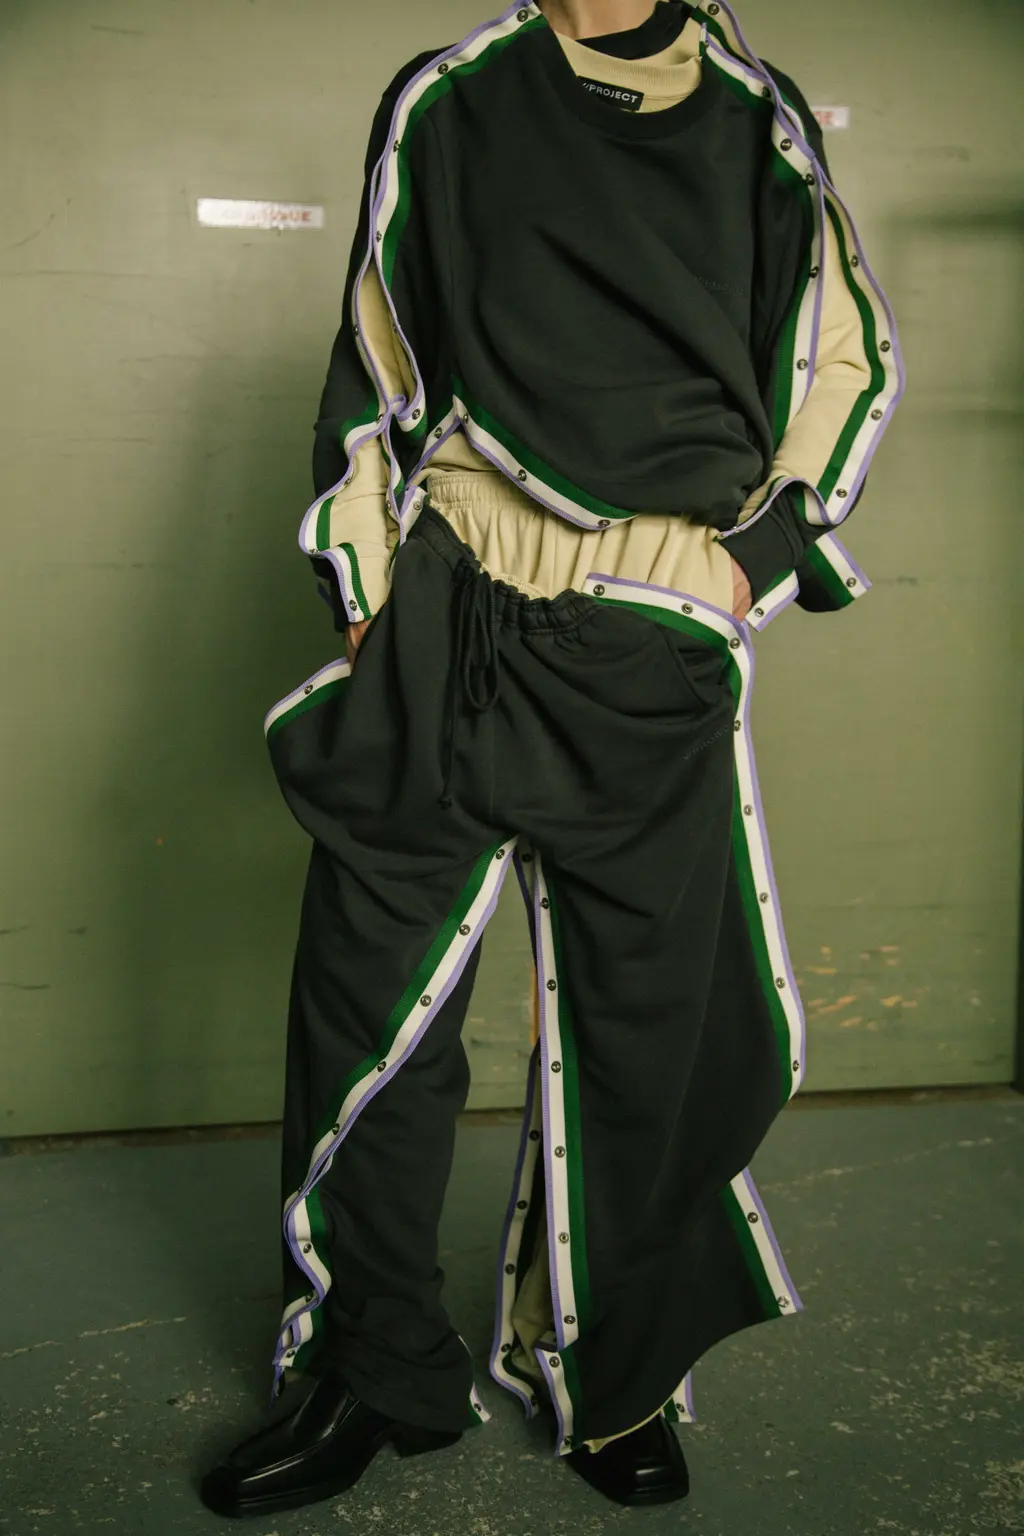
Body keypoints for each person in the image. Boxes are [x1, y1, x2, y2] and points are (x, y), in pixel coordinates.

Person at [199, 0, 902, 1518]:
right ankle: (372, 1368)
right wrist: (372, 596)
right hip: (454, 597)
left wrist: (750, 560)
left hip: (652, 615)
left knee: (651, 1030)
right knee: (367, 1007)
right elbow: (375, 354)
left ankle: (611, 1375)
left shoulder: (757, 116)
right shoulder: (450, 95)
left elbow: (843, 357)